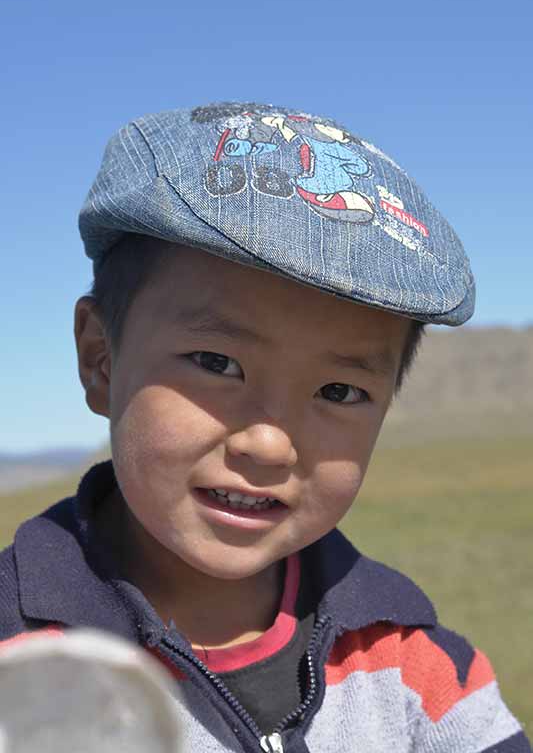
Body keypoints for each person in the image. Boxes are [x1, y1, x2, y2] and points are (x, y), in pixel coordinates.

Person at [0, 102, 529, 753]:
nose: (269, 442)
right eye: (217, 363)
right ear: (100, 359)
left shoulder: (414, 668)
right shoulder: (18, 666)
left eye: (339, 391)